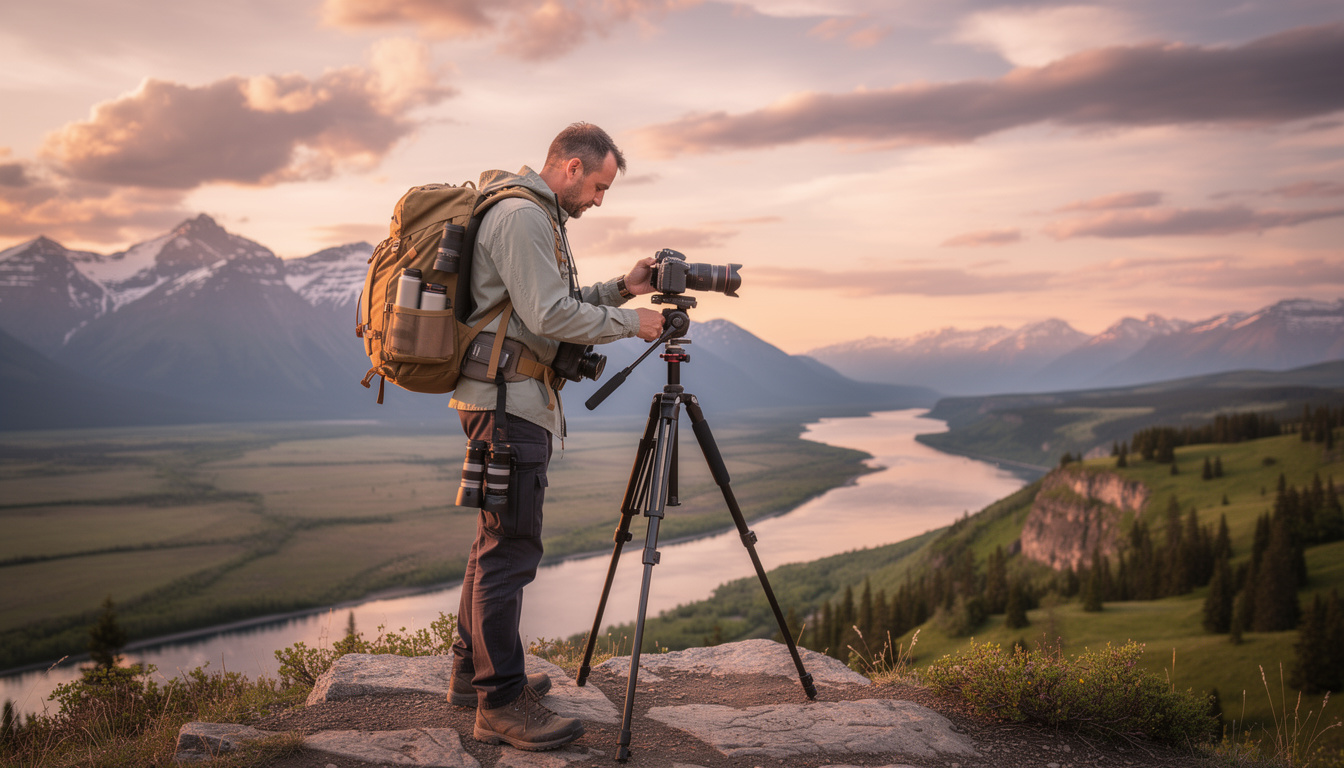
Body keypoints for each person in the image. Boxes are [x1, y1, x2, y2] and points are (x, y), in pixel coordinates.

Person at [446, 123, 665, 751]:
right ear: (570, 167)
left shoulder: (535, 215)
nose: (600, 200)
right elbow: (549, 316)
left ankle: (471, 673)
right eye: (598, 186)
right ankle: (501, 703)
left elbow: (552, 304)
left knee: (495, 541)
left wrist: (625, 288)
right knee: (510, 551)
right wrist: (634, 323)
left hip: (509, 399)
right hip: (509, 404)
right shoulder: (521, 216)